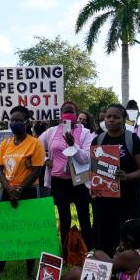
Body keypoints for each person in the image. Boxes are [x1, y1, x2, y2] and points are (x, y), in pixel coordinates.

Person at [0, 106, 46, 278]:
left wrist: (19, 190)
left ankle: (30, 271)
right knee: (4, 231)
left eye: (18, 120)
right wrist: (9, 189)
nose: (14, 123)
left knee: (28, 231)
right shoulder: (5, 144)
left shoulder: (35, 144)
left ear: (27, 122)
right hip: (7, 191)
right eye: (12, 120)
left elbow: (37, 170)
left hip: (28, 190)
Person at [91, 104, 140, 255]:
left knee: (127, 233)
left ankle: (129, 265)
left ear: (124, 119)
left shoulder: (133, 140)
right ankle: (106, 265)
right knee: (104, 233)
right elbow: (93, 168)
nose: (111, 120)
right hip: (104, 198)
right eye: (108, 117)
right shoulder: (98, 140)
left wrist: (127, 176)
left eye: (116, 117)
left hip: (128, 197)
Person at [40, 100, 94, 249]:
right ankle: (65, 252)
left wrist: (73, 145)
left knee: (84, 218)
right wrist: (46, 160)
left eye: (72, 112)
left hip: (79, 181)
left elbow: (86, 158)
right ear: (60, 115)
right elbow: (36, 146)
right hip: (59, 181)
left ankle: (88, 250)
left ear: (77, 115)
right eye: (65, 112)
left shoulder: (85, 133)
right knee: (64, 219)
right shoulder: (52, 131)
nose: (68, 115)